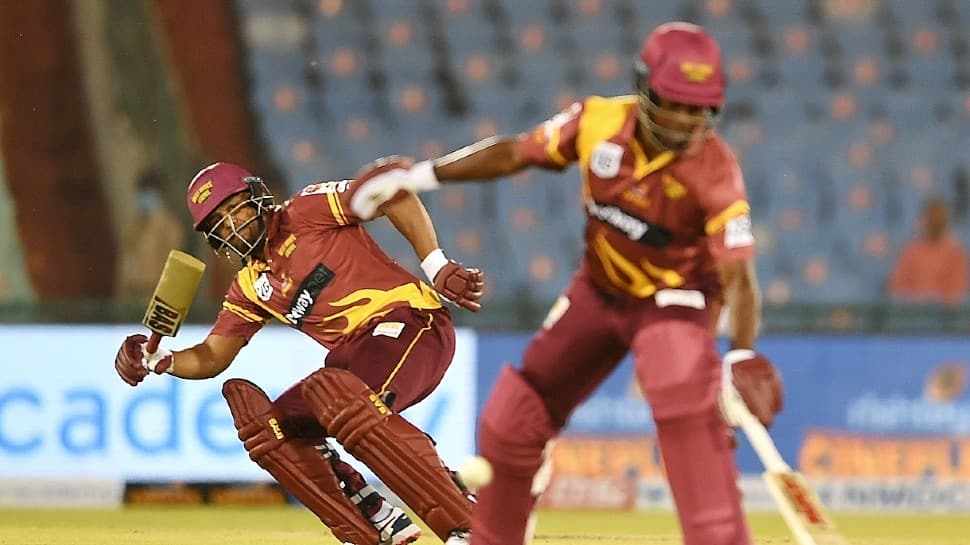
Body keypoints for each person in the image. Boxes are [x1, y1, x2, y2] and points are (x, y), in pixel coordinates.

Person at [352, 22, 784, 545]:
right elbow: (515, 153)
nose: (687, 120)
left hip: (676, 302)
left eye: (701, 109)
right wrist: (418, 177)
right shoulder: (598, 121)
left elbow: (738, 276)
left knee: (679, 392)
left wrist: (740, 354)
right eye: (675, 103)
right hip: (599, 293)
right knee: (512, 421)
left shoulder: (716, 171)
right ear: (645, 87)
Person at [113, 158, 483, 545]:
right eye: (217, 223)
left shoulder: (305, 210)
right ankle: (373, 515)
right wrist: (161, 360)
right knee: (271, 429)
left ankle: (466, 522)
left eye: (232, 207)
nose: (230, 225)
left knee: (339, 397)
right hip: (351, 358)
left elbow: (389, 189)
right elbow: (212, 356)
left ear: (257, 195)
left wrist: (436, 264)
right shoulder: (251, 284)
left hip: (410, 324)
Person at [118, 168, 185, 299]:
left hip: (157, 294)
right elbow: (124, 262)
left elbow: (174, 267)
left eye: (149, 194)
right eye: (141, 193)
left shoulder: (170, 227)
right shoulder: (133, 225)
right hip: (132, 293)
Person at [889, 197, 968, 304]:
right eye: (932, 218)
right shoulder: (911, 251)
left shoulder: (955, 253)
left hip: (944, 317)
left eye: (938, 219)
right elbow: (898, 288)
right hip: (913, 315)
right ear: (924, 220)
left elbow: (956, 292)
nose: (935, 223)